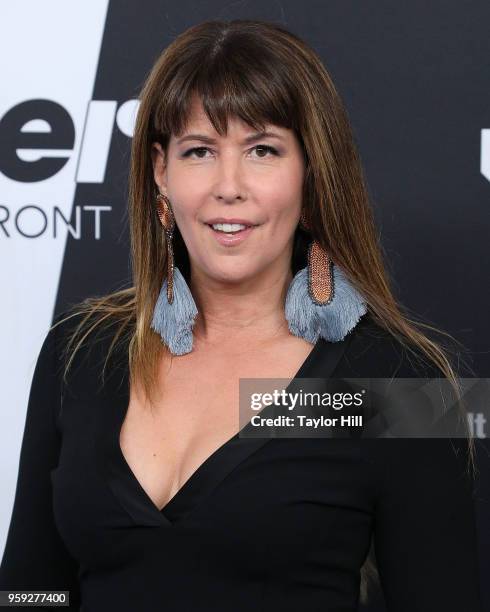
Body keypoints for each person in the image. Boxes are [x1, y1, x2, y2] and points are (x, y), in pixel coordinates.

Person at [0, 19, 483, 612]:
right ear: (161, 172)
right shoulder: (80, 352)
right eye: (200, 151)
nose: (229, 186)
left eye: (262, 150)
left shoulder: (393, 382)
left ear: (311, 174)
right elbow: (29, 587)